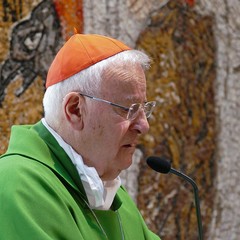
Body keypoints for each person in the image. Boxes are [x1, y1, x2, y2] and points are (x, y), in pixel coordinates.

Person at [0, 34, 159, 240]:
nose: (143, 125)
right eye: (128, 109)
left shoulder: (112, 198)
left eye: (145, 109)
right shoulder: (18, 186)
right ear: (75, 110)